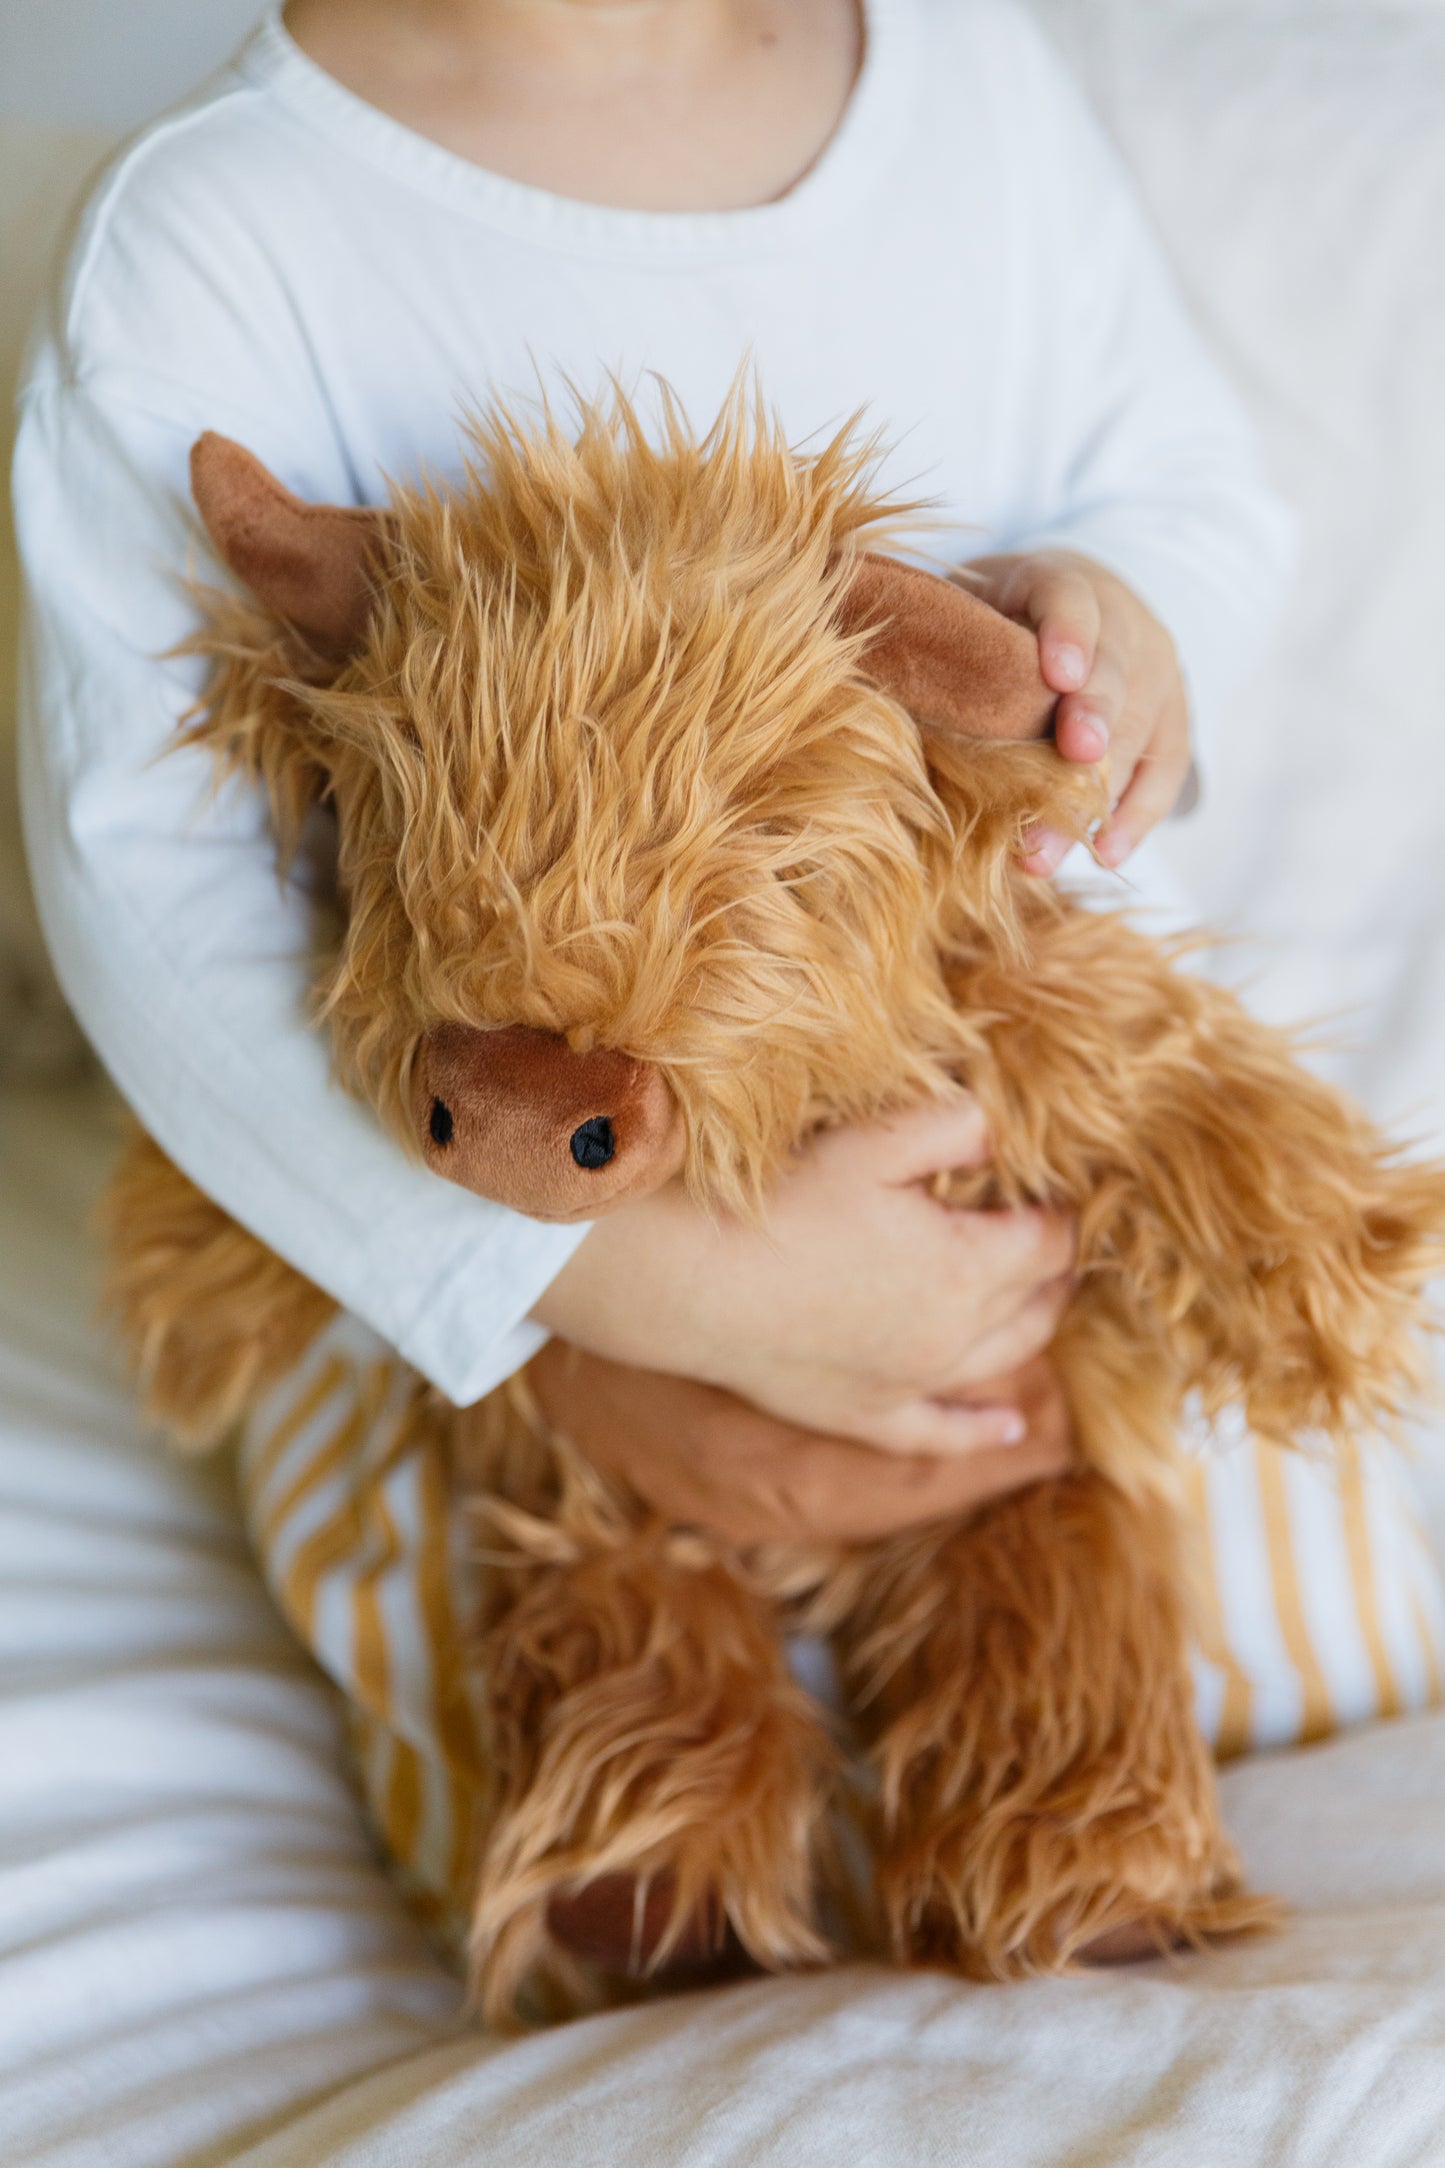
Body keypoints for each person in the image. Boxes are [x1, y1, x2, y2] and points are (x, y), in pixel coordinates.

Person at [13, 0, 1290, 1546]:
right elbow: (146, 888)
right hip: (486, 1228)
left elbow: (1191, 482)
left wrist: (1120, 608)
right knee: (587, 1705)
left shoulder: (965, 67)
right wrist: (608, 1291)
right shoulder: (208, 231)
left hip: (1012, 1180)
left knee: (1234, 1636)